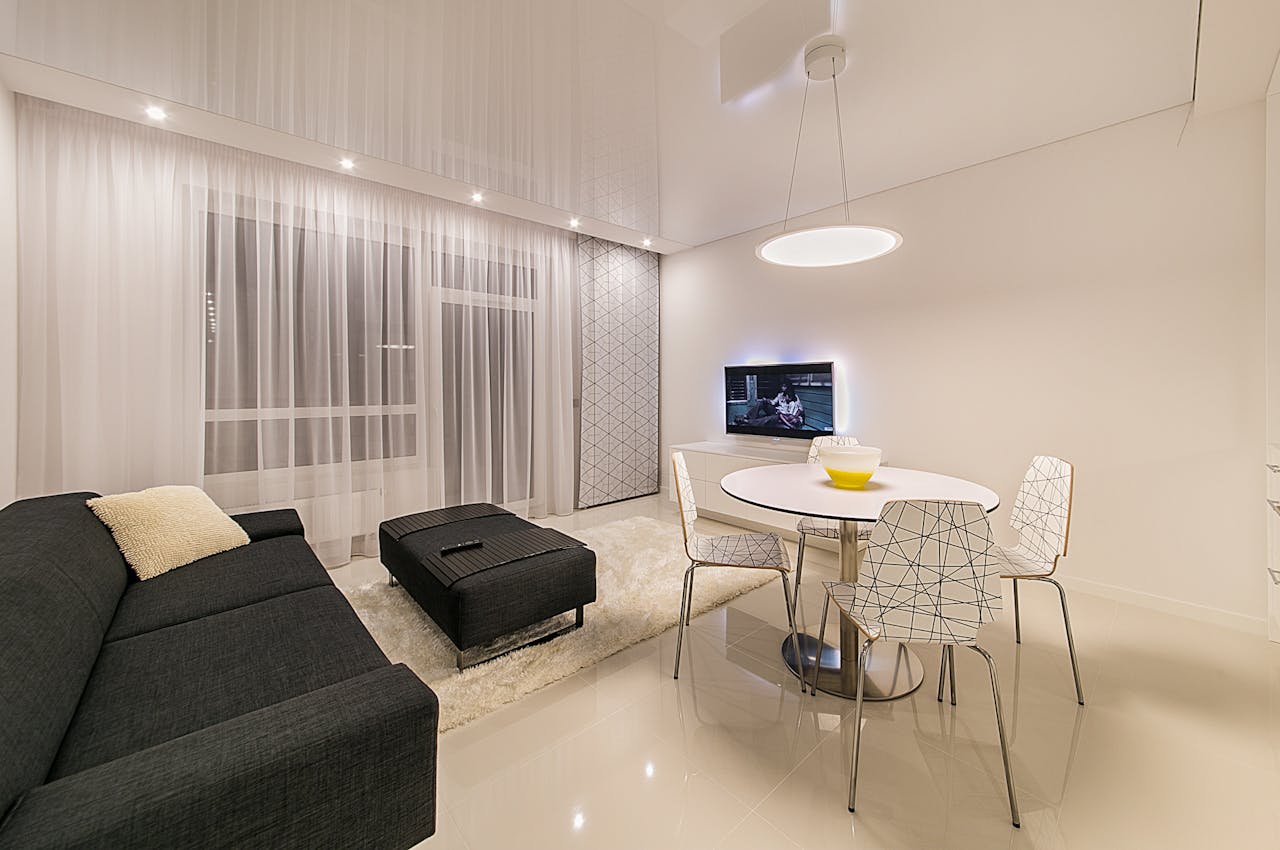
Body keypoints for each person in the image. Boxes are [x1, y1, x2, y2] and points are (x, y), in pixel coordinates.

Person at [736, 380, 805, 429]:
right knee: (762, 402)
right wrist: (767, 400)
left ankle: (748, 422)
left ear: (788, 387)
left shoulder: (793, 396)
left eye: (784, 386)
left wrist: (793, 417)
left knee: (770, 418)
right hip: (776, 411)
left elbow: (800, 409)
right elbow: (773, 402)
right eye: (782, 386)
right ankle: (748, 416)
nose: (782, 388)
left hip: (783, 414)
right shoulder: (780, 394)